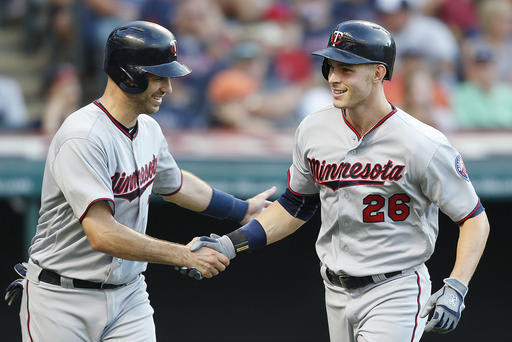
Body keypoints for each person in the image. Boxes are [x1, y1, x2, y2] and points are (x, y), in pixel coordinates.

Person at [192, 20, 490, 341]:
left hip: (396, 288)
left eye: (346, 69)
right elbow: (296, 205)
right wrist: (229, 244)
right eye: (330, 67)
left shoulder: (423, 143)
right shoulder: (313, 129)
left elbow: (474, 218)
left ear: (378, 73)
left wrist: (457, 286)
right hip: (334, 288)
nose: (333, 77)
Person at [4, 21, 275, 341]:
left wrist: (239, 209)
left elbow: (175, 184)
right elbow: (102, 234)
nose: (167, 87)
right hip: (63, 298)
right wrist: (184, 255)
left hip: (128, 295)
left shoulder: (147, 129)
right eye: (158, 76)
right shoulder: (83, 136)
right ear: (128, 75)